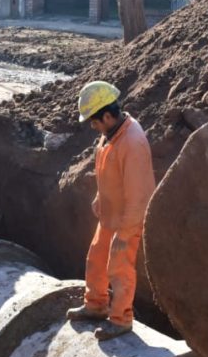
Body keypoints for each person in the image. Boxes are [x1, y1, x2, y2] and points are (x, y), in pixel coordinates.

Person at [66, 82, 156, 341]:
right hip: (110, 212)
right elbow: (109, 171)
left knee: (119, 266)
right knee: (96, 257)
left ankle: (121, 319)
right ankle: (96, 304)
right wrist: (99, 196)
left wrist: (127, 230)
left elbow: (139, 194)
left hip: (128, 217)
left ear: (107, 115)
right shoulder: (111, 133)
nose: (93, 127)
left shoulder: (132, 142)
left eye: (94, 122)